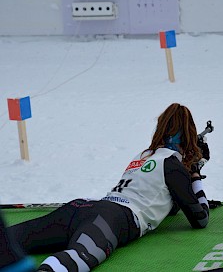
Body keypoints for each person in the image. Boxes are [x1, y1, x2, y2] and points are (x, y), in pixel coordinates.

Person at [7, 103, 210, 271]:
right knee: (76, 260)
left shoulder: (143, 155)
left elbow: (169, 205)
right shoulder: (172, 165)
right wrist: (195, 175)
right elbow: (200, 218)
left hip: (81, 208)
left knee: (8, 241)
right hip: (111, 218)